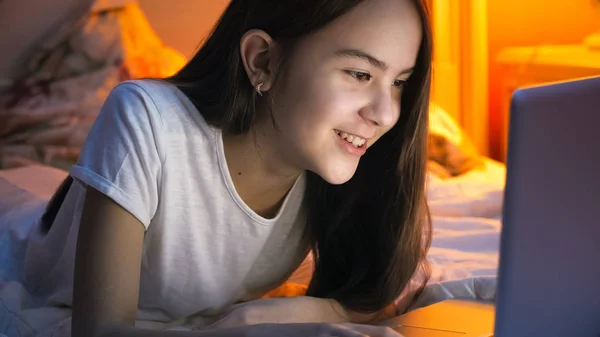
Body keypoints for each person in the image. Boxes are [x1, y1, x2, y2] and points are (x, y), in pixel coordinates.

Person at [16, 0, 434, 336]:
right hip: (18, 235)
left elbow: (377, 294)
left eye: (399, 82)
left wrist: (270, 316)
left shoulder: (333, 162)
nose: (385, 114)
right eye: (360, 74)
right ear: (263, 61)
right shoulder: (146, 118)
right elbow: (101, 331)